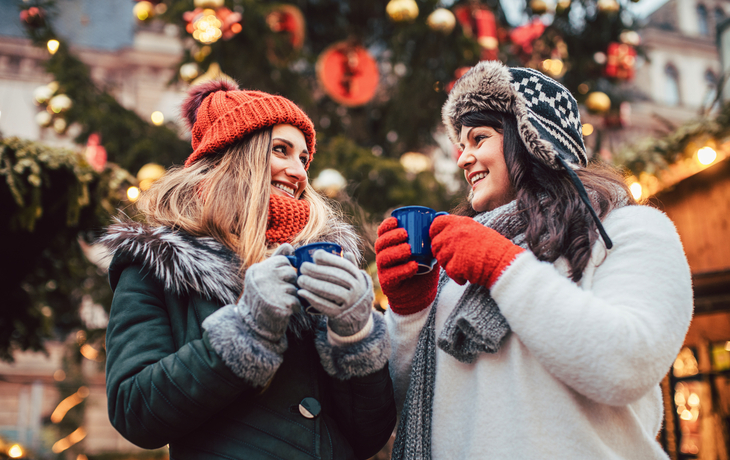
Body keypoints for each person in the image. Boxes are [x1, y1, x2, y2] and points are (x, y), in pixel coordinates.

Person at [375, 61, 693, 460]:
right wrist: (408, 313)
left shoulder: (631, 230)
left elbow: (627, 363)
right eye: (462, 144)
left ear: (531, 139)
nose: (463, 158)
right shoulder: (458, 265)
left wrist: (503, 268)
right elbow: (406, 408)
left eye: (479, 138)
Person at [101, 80, 396, 460]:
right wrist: (247, 331)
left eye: (303, 158)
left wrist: (355, 336)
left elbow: (370, 434)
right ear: (236, 155)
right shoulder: (158, 264)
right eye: (281, 150)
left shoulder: (327, 262)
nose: (300, 172)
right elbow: (134, 411)